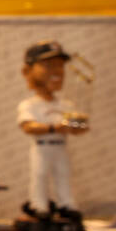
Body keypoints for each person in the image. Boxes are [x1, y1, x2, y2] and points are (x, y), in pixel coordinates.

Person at [16, 40, 87, 221]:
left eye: (59, 66)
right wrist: (55, 127)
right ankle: (39, 205)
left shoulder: (65, 105)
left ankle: (66, 204)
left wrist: (78, 126)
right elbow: (28, 126)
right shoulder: (30, 105)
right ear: (28, 71)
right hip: (41, 147)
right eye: (48, 65)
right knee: (39, 175)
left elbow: (77, 128)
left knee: (63, 175)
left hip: (60, 147)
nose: (56, 71)